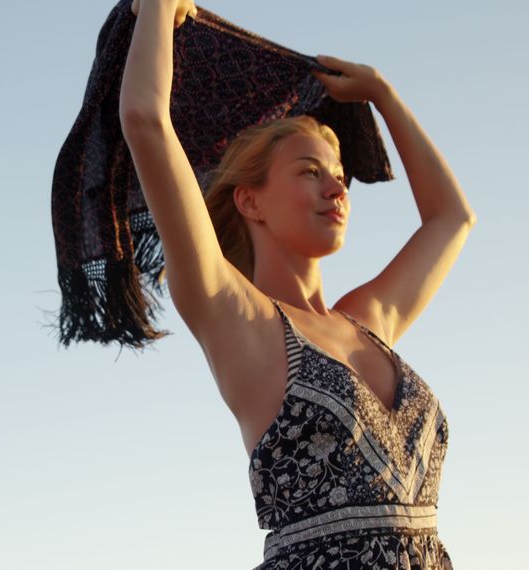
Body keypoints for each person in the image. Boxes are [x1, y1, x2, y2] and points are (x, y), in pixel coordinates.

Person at [120, 0, 476, 568]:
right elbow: (145, 120)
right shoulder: (237, 318)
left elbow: (452, 218)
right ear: (249, 199)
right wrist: (159, 9)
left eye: (339, 177)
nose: (337, 190)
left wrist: (383, 94)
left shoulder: (368, 321)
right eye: (310, 173)